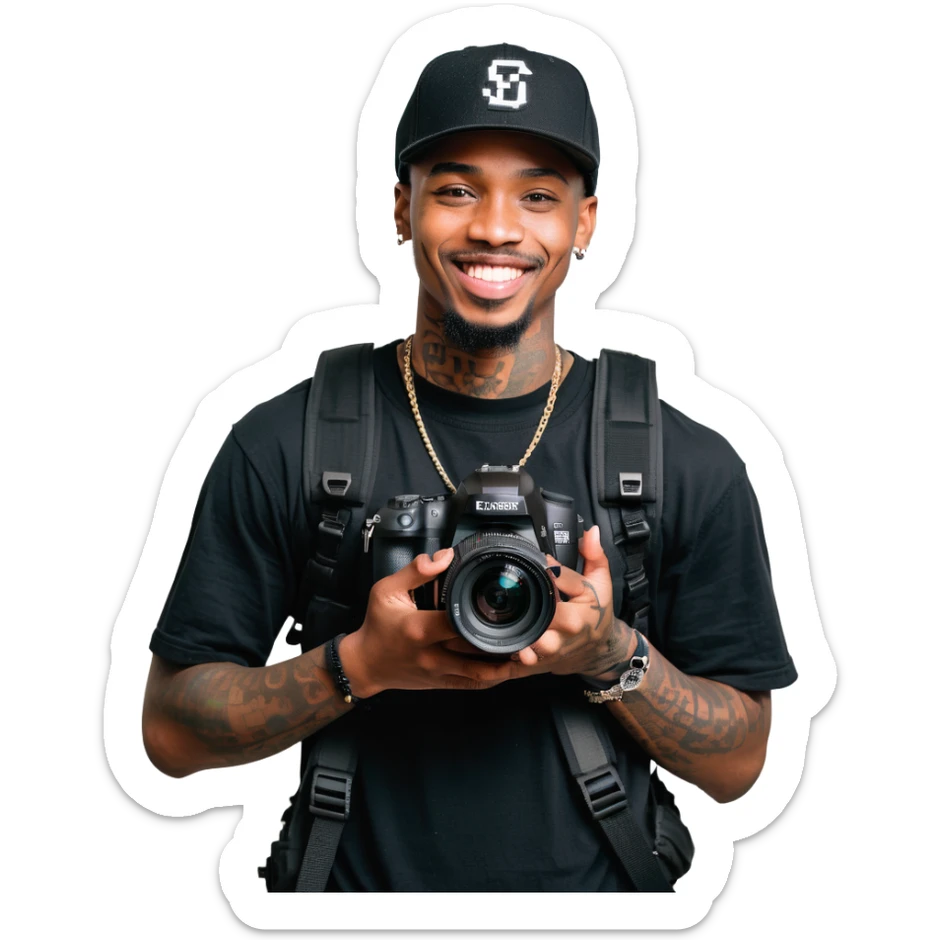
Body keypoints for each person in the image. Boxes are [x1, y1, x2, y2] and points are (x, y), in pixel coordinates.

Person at [142, 42, 797, 892]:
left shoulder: (684, 458)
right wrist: (359, 666)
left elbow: (740, 764)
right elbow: (170, 736)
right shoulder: (289, 440)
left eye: (537, 195)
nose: (495, 227)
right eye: (455, 189)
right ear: (401, 208)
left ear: (585, 222)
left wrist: (607, 652)